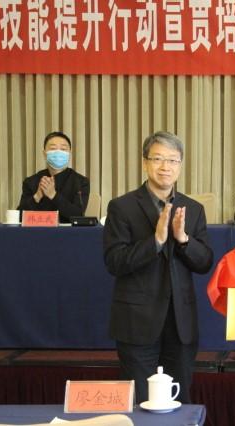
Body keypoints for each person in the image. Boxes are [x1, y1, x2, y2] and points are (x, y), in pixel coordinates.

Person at [103, 131, 214, 404]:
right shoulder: (122, 207)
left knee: (180, 401)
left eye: (173, 160)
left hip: (180, 324)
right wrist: (155, 241)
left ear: (180, 165)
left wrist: (183, 239)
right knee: (141, 404)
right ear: (145, 163)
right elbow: (114, 261)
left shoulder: (193, 209)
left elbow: (205, 262)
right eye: (158, 159)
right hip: (137, 323)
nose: (166, 167)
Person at [17, 131, 89, 223]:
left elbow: (78, 215)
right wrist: (37, 196)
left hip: (68, 231)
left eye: (63, 149)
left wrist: (53, 195)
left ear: (69, 153)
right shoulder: (31, 181)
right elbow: (19, 217)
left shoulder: (81, 182)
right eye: (53, 148)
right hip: (37, 231)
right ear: (44, 153)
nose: (58, 152)